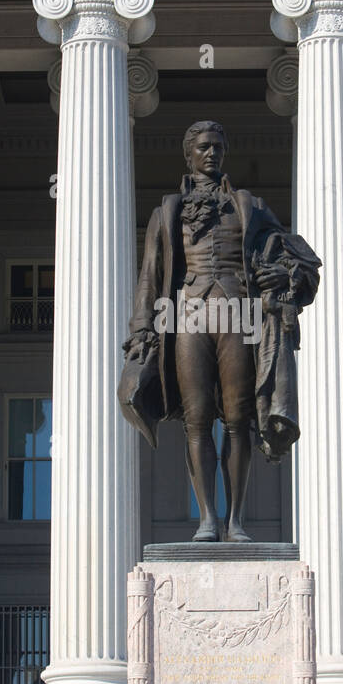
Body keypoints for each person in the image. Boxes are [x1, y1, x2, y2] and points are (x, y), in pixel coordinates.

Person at [118, 119, 320, 541]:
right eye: (204, 147)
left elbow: (293, 257)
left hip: (238, 314)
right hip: (187, 315)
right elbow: (150, 276)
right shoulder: (167, 210)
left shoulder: (250, 205)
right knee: (196, 421)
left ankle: (236, 521)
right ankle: (207, 519)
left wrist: (279, 279)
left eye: (218, 148)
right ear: (189, 154)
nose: (212, 154)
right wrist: (142, 330)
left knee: (236, 418)